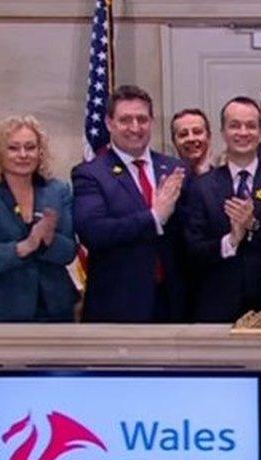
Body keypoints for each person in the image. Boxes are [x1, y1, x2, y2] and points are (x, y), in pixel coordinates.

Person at [184, 96, 261, 322]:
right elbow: (192, 252)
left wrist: (253, 225)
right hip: (216, 311)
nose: (243, 132)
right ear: (222, 132)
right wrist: (230, 241)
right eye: (235, 125)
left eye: (250, 126)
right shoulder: (201, 188)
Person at [72, 84, 188, 322]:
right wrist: (154, 218)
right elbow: (94, 232)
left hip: (174, 305)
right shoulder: (90, 174)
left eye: (142, 119)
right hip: (118, 306)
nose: (135, 127)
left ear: (152, 122)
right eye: (125, 120)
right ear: (109, 123)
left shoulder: (176, 169)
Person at [0, 115, 77, 322]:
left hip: (56, 306)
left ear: (40, 152)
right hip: (5, 309)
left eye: (30, 147)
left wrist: (49, 240)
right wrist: (26, 246)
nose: (23, 155)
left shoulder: (58, 191)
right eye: (13, 148)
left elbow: (69, 252)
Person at [170, 108, 213, 176]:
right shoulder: (166, 182)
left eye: (197, 132)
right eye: (183, 134)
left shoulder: (225, 180)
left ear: (209, 137)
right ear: (174, 141)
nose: (191, 138)